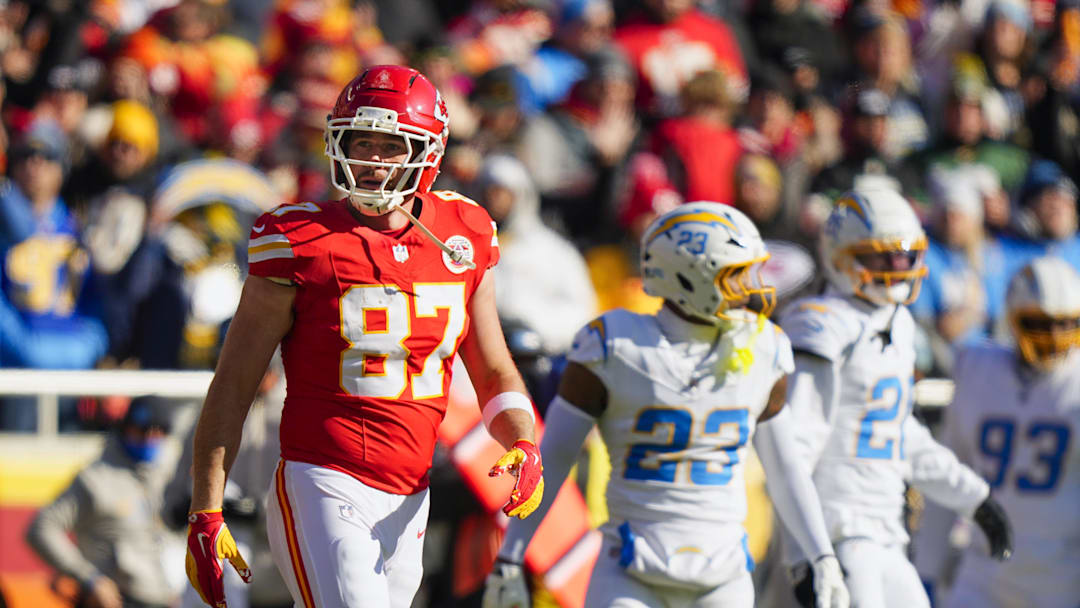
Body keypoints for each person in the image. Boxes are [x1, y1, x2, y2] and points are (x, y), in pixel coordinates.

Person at [184, 65, 544, 608]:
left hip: (410, 493)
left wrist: (522, 439)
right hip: (321, 477)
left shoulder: (463, 232)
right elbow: (234, 383)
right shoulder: (297, 238)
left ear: (428, 152)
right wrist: (205, 510)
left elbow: (492, 367)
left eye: (390, 146)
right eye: (361, 142)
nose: (371, 161)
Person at [483, 202, 850, 608]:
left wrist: (821, 555)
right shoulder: (615, 345)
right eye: (736, 275)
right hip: (630, 572)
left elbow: (786, 468)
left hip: (723, 575)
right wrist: (510, 558)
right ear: (690, 276)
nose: (752, 287)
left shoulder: (763, 348)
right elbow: (551, 460)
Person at [777, 189, 1013, 608]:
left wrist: (973, 497)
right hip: (838, 531)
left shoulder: (897, 323)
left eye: (905, 257)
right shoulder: (823, 325)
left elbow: (898, 431)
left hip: (887, 530)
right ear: (841, 257)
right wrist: (805, 554)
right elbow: (792, 452)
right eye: (882, 258)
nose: (898, 270)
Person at [915, 256, 1080, 607]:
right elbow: (949, 475)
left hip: (1061, 573)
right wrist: (927, 569)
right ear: (1013, 320)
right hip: (984, 565)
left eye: (1067, 324)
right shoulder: (977, 368)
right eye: (1038, 323)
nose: (1053, 336)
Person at [26, 396, 180, 608]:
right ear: (126, 428)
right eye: (142, 430)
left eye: (158, 431)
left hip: (167, 598)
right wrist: (89, 578)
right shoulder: (95, 479)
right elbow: (41, 528)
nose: (150, 438)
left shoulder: (167, 472)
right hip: (120, 599)